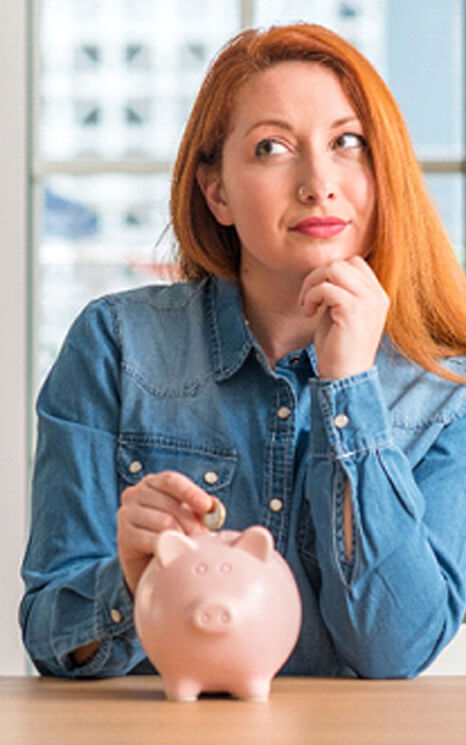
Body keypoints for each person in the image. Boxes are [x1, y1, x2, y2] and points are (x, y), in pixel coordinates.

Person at [20, 23, 466, 679]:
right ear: (217, 191)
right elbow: (51, 635)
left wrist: (349, 390)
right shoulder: (114, 345)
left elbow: (394, 649)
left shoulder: (444, 387)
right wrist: (130, 583)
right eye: (272, 148)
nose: (319, 183)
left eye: (348, 143)